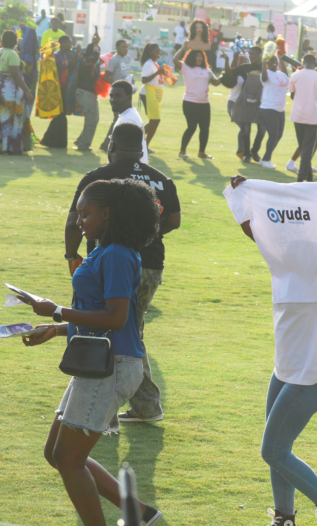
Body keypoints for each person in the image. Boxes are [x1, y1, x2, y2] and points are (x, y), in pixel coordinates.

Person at [23, 178, 163, 526]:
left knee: (68, 459)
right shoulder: (105, 251)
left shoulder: (116, 254)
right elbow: (102, 313)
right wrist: (55, 330)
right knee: (57, 454)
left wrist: (57, 311)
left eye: (85, 214)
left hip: (112, 366)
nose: (78, 221)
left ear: (107, 213)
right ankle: (144, 515)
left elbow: (115, 318)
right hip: (98, 362)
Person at [224, 175, 317, 526]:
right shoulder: (281, 264)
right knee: (278, 453)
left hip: (312, 376)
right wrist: (243, 197)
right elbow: (257, 231)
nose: (287, 239)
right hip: (284, 372)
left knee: (273, 450)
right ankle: (284, 516)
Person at [65, 122, 180, 424]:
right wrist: (144, 233)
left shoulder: (98, 181)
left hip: (116, 263)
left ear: (110, 144)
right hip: (151, 261)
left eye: (86, 215)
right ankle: (138, 403)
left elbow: (71, 222)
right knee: (132, 326)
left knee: (124, 328)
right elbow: (175, 219)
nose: (81, 220)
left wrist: (70, 256)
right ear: (142, 146)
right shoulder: (159, 178)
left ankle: (131, 401)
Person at [288, 54, 317, 182]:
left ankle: (309, 179)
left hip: (298, 115)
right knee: (307, 149)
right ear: (315, 62)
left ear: (302, 61)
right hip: (313, 116)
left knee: (303, 147)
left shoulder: (295, 75)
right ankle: (301, 179)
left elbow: (292, 95)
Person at [175, 48, 221, 160]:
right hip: (190, 103)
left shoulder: (207, 70)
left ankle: (201, 152)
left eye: (201, 56)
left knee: (205, 128)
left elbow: (215, 83)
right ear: (192, 57)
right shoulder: (186, 68)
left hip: (204, 103)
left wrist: (223, 76)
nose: (199, 58)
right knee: (191, 127)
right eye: (197, 55)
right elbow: (175, 60)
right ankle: (182, 151)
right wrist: (183, 48)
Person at [39, 34, 78, 149]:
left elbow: (70, 66)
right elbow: (49, 68)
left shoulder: (65, 56)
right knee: (60, 116)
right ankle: (56, 142)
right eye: (69, 43)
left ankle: (49, 141)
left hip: (62, 88)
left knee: (60, 116)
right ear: (62, 44)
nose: (70, 45)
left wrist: (78, 54)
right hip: (55, 89)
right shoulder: (56, 56)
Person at [1, 29, 33, 154]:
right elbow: (15, 74)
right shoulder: (12, 54)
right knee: (12, 118)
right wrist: (27, 91)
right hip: (10, 90)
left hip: (1, 88)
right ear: (15, 42)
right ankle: (11, 147)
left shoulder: (1, 52)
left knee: (2, 118)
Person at [231, 52, 265, 163]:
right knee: (246, 130)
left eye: (254, 54)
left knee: (262, 130)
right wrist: (229, 60)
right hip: (246, 102)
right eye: (250, 54)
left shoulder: (265, 67)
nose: (251, 56)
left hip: (261, 103)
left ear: (260, 55)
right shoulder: (246, 67)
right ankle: (246, 155)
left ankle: (254, 151)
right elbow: (231, 71)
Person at [105, 80, 148, 164]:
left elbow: (127, 156)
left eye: (117, 96)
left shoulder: (128, 120)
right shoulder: (128, 115)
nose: (113, 100)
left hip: (127, 175)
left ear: (129, 97)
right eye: (111, 96)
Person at [259, 53, 290, 169]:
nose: (274, 63)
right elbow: (263, 78)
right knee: (273, 134)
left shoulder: (281, 74)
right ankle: (267, 160)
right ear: (267, 63)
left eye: (275, 61)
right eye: (271, 61)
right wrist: (263, 62)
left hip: (280, 109)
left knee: (279, 135)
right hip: (268, 108)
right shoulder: (266, 74)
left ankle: (264, 158)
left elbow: (287, 79)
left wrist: (282, 61)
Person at [74, 43, 104, 152]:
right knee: (91, 120)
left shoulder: (91, 62)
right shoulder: (86, 60)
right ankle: (83, 145)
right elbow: (95, 57)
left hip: (89, 93)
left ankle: (81, 140)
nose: (99, 54)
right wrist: (96, 45)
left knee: (95, 119)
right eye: (97, 51)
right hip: (85, 92)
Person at [139, 43, 164, 150]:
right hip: (148, 93)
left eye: (159, 51)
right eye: (156, 51)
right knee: (155, 121)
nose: (159, 53)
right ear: (150, 53)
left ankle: (145, 146)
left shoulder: (154, 63)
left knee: (155, 121)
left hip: (155, 93)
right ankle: (137, 137)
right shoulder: (149, 63)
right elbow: (144, 80)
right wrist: (158, 72)